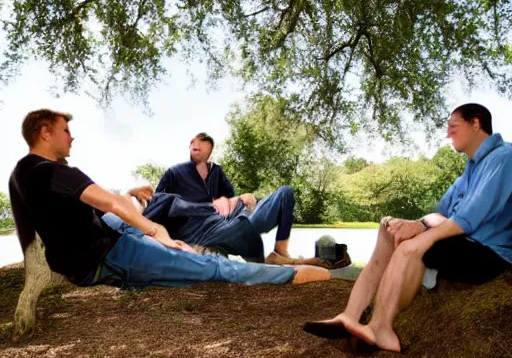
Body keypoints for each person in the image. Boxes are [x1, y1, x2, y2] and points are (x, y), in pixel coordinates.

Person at [9, 109, 331, 290]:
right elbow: (121, 204)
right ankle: (287, 275)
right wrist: (160, 234)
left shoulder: (23, 174)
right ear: (44, 132)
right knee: (210, 267)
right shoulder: (49, 170)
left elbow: (102, 206)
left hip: (104, 240)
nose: (71, 135)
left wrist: (129, 196)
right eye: (65, 130)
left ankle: (274, 253)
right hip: (109, 253)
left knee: (269, 203)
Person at [304, 103, 512, 352]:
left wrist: (422, 235)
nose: (448, 134)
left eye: (453, 127)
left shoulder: (504, 158)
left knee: (412, 245)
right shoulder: (469, 170)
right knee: (389, 231)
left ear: (476, 123)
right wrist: (411, 225)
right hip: (464, 241)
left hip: (488, 253)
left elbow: (468, 220)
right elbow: (441, 213)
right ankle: (350, 315)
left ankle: (381, 327)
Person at [153, 132, 330, 264]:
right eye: (197, 148)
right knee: (240, 230)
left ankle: (280, 253)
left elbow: (232, 199)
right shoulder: (174, 174)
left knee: (285, 193)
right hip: (204, 229)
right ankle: (255, 262)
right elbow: (161, 206)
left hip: (231, 218)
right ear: (191, 146)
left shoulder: (216, 172)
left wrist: (243, 198)